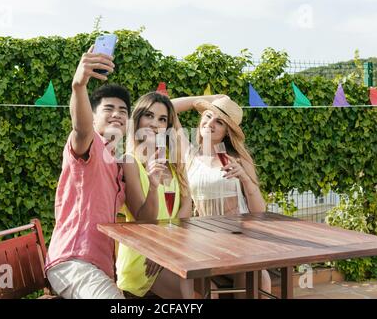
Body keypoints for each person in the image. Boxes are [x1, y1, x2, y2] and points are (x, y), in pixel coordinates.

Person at [44, 46, 131, 299]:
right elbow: (81, 128)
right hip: (73, 261)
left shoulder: (118, 161)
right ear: (92, 116)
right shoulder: (89, 143)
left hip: (101, 267)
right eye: (108, 109)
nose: (117, 114)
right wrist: (79, 85)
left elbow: (160, 109)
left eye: (123, 111)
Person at [172, 94, 271, 298]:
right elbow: (168, 107)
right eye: (207, 116)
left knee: (257, 280)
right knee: (207, 291)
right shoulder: (189, 154)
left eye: (219, 122)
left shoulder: (238, 158)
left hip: (240, 236)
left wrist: (244, 178)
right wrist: (204, 99)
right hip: (203, 236)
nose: (210, 124)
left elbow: (259, 211)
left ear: (227, 132)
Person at [116, 92, 194, 298]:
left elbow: (187, 208)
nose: (154, 123)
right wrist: (152, 185)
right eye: (149, 116)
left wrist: (167, 247)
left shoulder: (173, 163)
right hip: (143, 258)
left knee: (210, 279)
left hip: (171, 252)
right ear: (138, 119)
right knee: (191, 290)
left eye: (162, 119)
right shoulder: (129, 161)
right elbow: (144, 221)